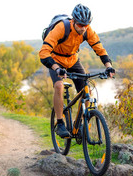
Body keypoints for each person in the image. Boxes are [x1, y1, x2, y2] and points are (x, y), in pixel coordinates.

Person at [39, 4, 115, 138]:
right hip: (56, 60)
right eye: (80, 25)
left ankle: (80, 124)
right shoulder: (61, 28)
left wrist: (108, 66)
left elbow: (98, 47)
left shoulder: (87, 30)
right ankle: (60, 122)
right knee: (58, 85)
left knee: (87, 91)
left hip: (73, 60)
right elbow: (44, 52)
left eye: (86, 25)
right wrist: (57, 69)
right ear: (73, 21)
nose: (83, 28)